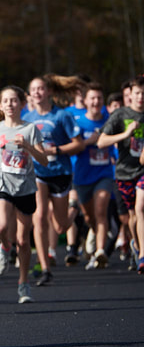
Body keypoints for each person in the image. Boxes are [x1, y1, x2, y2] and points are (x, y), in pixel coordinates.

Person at [0, 86, 48, 304]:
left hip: (26, 188)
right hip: (3, 185)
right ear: (0, 106)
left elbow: (44, 160)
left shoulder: (30, 129)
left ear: (21, 104)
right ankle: (4, 247)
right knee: (0, 227)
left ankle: (23, 283)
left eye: (14, 100)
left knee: (23, 240)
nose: (10, 104)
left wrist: (27, 146)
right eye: (6, 101)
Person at [23, 75, 82, 285]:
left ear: (48, 92)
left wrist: (55, 149)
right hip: (37, 172)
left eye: (41, 89)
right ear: (30, 94)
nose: (37, 93)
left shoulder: (62, 115)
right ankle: (45, 266)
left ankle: (74, 209)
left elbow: (78, 144)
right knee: (38, 217)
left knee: (60, 226)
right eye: (33, 89)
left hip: (60, 172)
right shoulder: (27, 118)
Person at [98, 75, 144, 275]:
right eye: (137, 93)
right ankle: (136, 243)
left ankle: (142, 254)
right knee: (132, 216)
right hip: (125, 172)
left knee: (141, 208)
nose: (141, 97)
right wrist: (125, 135)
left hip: (143, 171)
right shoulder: (120, 115)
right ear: (130, 95)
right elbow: (101, 142)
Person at [71, 83, 114, 270]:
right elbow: (73, 146)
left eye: (99, 98)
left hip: (104, 173)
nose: (96, 102)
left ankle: (100, 253)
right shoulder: (78, 123)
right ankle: (93, 232)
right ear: (86, 101)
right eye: (93, 98)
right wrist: (89, 141)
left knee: (101, 211)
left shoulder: (110, 120)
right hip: (82, 175)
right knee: (89, 217)